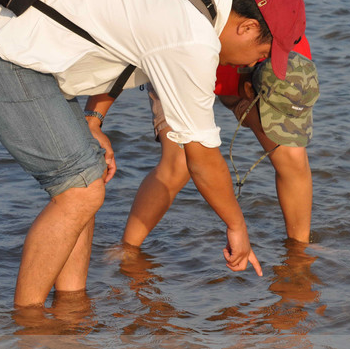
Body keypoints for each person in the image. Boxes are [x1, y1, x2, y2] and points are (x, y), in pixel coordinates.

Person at [0, 0, 306, 307]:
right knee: (80, 190)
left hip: (13, 39)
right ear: (244, 27)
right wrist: (237, 226)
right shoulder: (193, 39)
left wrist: (93, 118)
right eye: (262, 52)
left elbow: (123, 35)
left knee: (88, 177)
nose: (252, 64)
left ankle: (71, 310)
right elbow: (200, 156)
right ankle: (28, 327)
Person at [122, 47, 319, 248]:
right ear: (249, 93)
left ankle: (299, 249)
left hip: (246, 78)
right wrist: (96, 117)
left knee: (291, 157)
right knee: (179, 162)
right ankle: (127, 250)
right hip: (181, 69)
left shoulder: (297, 65)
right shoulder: (193, 53)